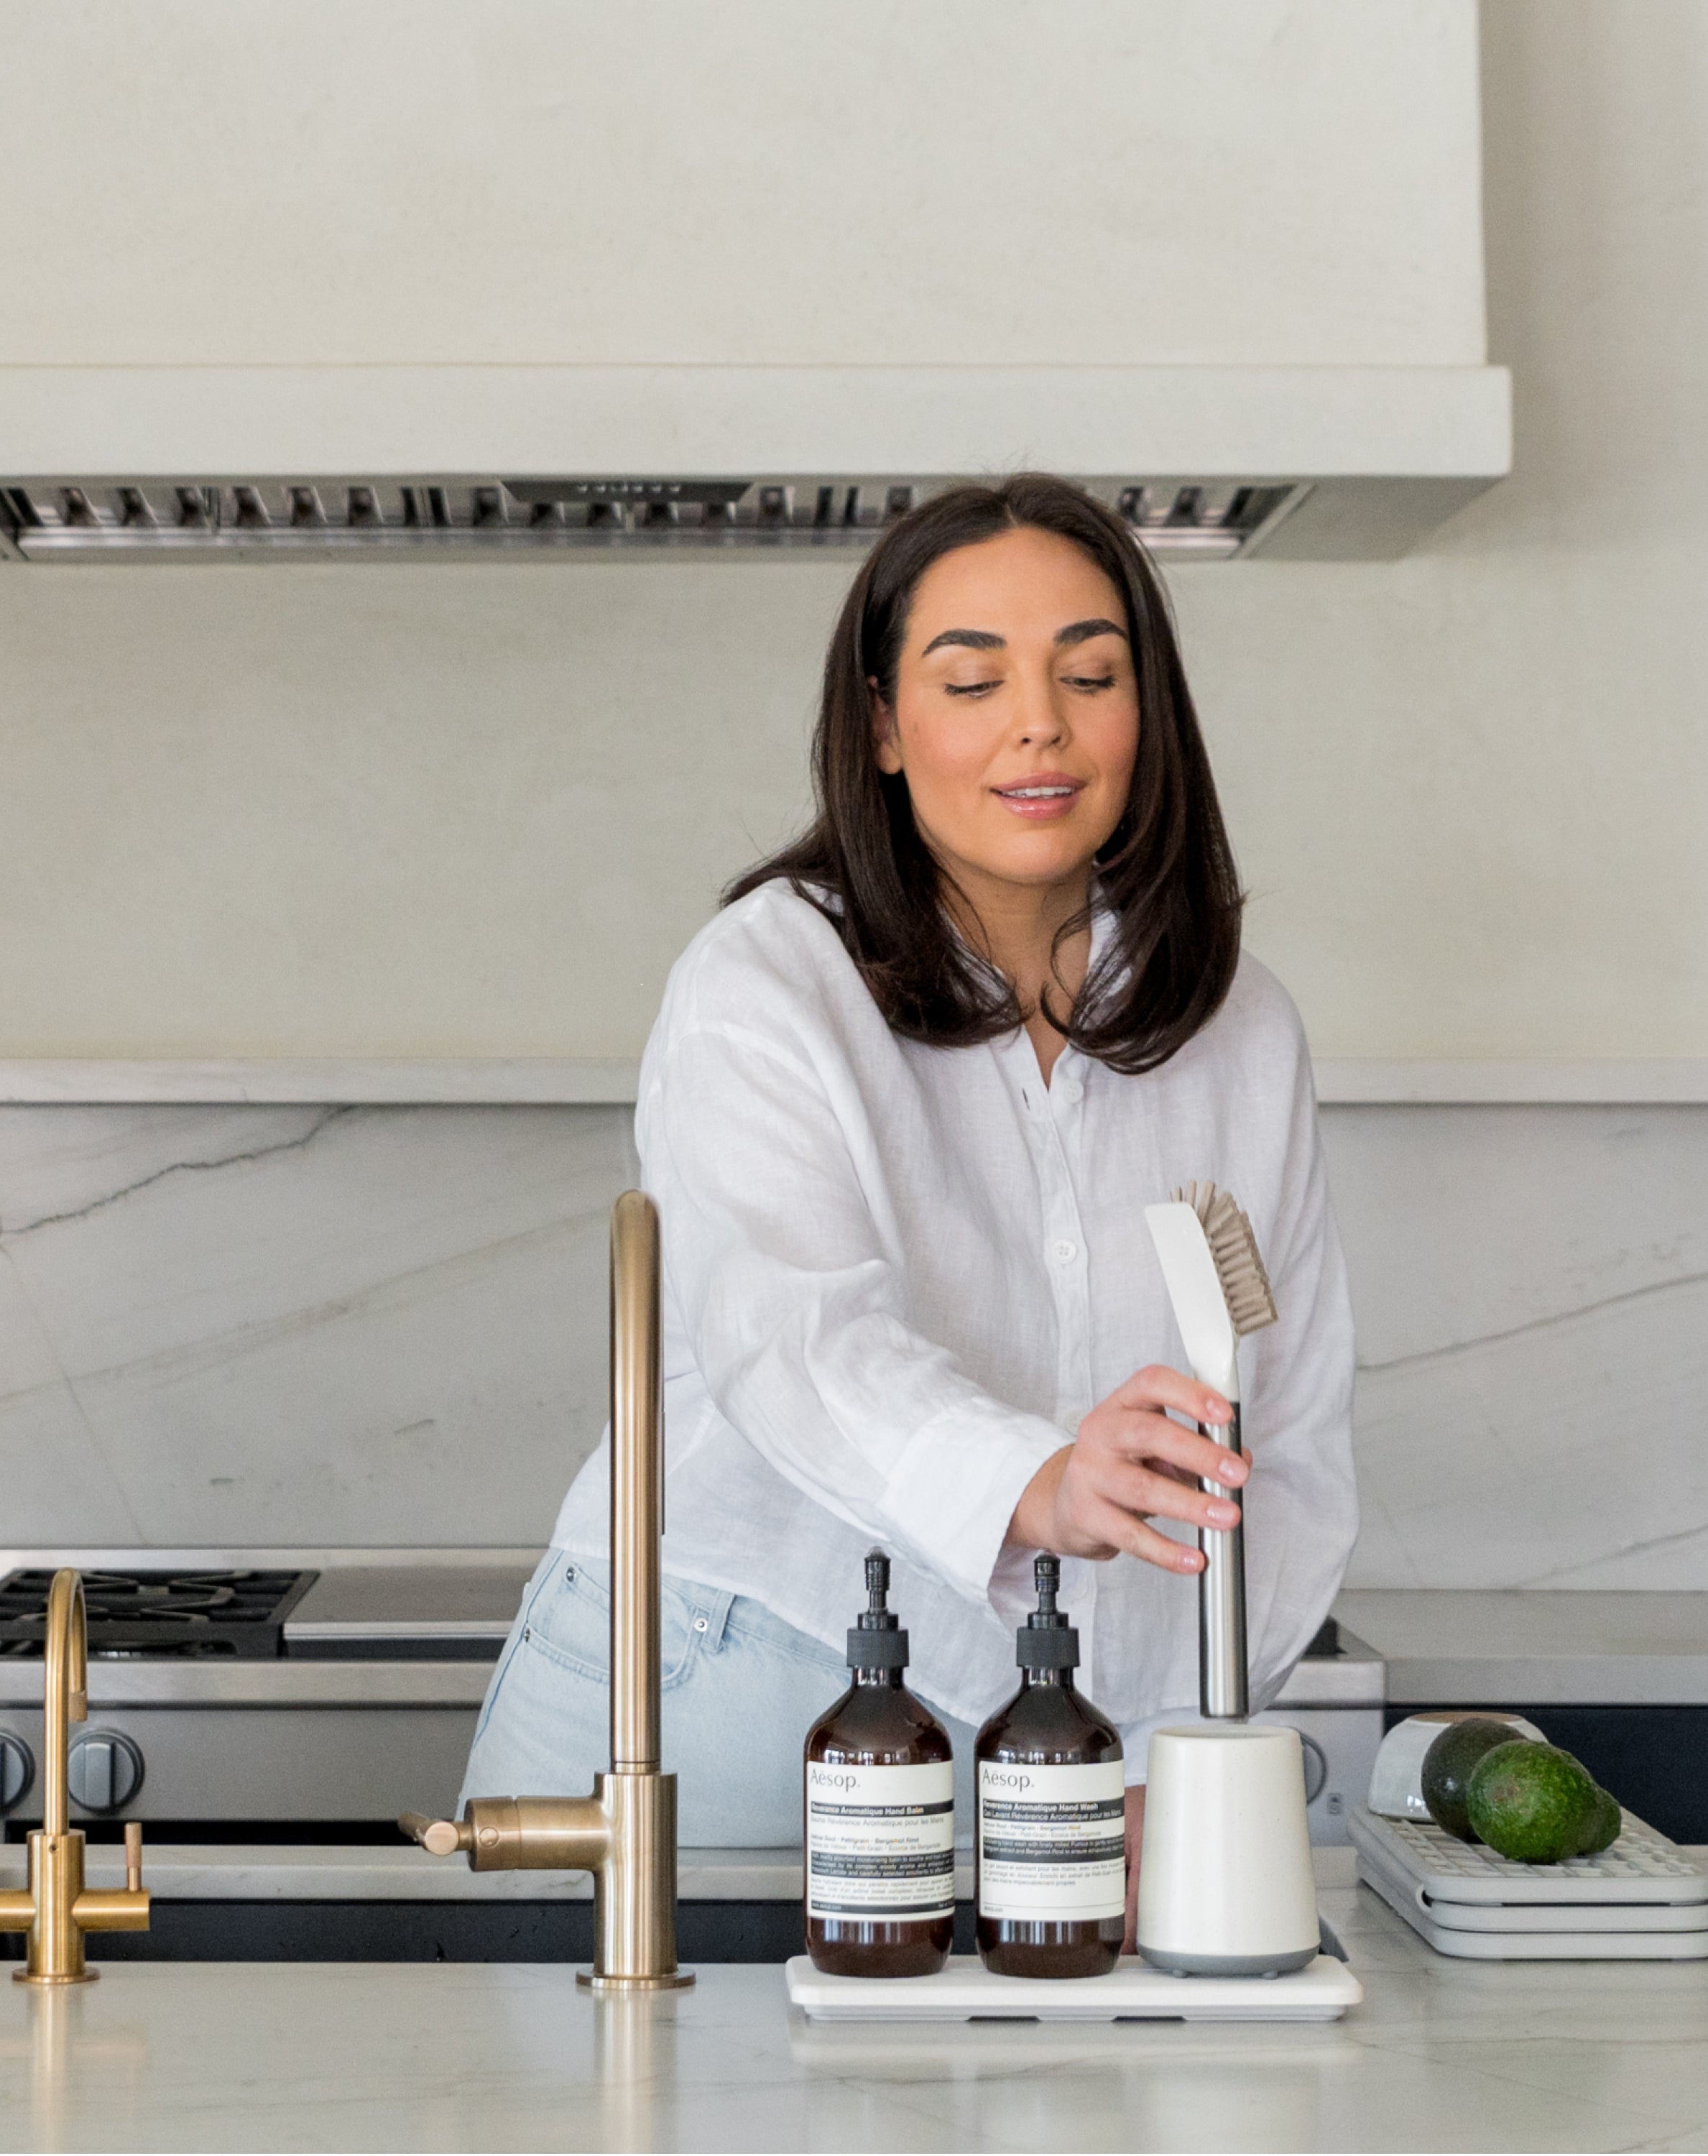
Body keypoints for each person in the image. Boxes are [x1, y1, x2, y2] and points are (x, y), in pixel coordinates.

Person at [460, 475, 1356, 1914]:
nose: (1039, 725)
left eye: (1089, 673)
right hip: (738, 1677)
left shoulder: (1241, 1029)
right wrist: (1037, 1480)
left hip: (1067, 1751)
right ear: (882, 724)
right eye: (972, 678)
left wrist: (1175, 1741)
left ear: (1149, 710)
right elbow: (792, 1335)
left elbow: (1292, 1437)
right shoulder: (767, 984)